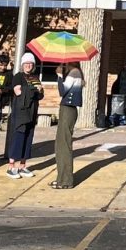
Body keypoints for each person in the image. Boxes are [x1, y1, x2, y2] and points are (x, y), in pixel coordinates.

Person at [7, 53, 44, 179]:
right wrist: (34, 89)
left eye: (31, 64)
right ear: (22, 65)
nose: (28, 65)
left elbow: (40, 95)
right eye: (26, 63)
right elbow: (18, 91)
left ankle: (23, 166)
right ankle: (11, 166)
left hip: (32, 111)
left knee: (28, 137)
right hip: (21, 111)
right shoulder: (18, 76)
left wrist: (39, 90)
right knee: (18, 137)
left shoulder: (35, 77)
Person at [50, 62, 83, 190]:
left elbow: (62, 91)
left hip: (68, 109)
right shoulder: (75, 73)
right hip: (68, 109)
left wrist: (59, 75)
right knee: (60, 144)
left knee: (64, 144)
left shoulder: (74, 73)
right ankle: (61, 178)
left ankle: (66, 180)